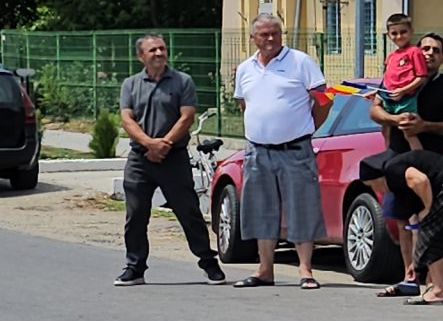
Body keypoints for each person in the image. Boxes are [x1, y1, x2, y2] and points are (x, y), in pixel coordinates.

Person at [113, 33, 225, 286]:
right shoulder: (130, 84)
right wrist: (149, 144)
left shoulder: (182, 81)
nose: (159, 53)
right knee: (136, 215)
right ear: (140, 56)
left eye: (162, 49)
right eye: (152, 50)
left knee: (188, 211)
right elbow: (127, 119)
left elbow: (187, 117)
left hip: (173, 158)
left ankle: (208, 262)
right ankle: (134, 268)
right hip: (140, 159)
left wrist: (164, 144)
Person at [230, 15, 329, 290]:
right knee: (261, 209)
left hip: (295, 149)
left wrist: (307, 128)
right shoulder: (245, 69)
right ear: (253, 38)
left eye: (275, 32)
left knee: (302, 208)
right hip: (258, 150)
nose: (271, 38)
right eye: (264, 34)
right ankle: (265, 270)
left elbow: (323, 100)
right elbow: (244, 104)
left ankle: (306, 270)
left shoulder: (300, 62)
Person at [368, 31, 443, 297]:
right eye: (425, 49)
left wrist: (425, 126)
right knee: (403, 221)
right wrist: (394, 120)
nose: (430, 54)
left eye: (436, 50)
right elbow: (375, 110)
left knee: (439, 223)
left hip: (433, 164)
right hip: (398, 161)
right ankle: (410, 277)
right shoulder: (395, 78)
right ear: (416, 53)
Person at [371, 147, 443, 304]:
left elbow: (421, 180)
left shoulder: (392, 169)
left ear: (378, 177)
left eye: (372, 185)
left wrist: (428, 208)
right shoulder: (403, 185)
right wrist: (415, 264)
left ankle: (438, 290)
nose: (377, 190)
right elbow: (413, 227)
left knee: (431, 231)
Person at [375, 12, 428, 126]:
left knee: (408, 128)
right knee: (386, 125)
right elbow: (387, 79)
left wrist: (403, 90)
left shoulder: (414, 51)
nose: (399, 36)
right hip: (389, 97)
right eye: (394, 33)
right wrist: (378, 91)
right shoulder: (391, 56)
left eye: (403, 32)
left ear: (411, 31)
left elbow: (422, 77)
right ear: (388, 35)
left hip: (407, 99)